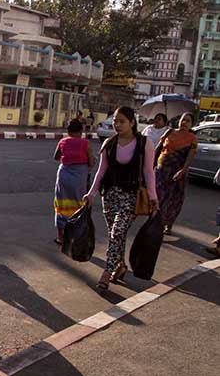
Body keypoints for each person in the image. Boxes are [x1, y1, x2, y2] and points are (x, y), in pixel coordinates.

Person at [83, 106, 158, 294]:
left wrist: (153, 197)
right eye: (115, 121)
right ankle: (120, 266)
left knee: (117, 232)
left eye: (121, 121)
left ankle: (107, 273)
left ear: (132, 123)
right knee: (115, 234)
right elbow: (101, 171)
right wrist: (91, 193)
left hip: (131, 195)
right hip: (110, 195)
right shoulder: (109, 143)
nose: (117, 124)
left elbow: (149, 172)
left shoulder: (144, 143)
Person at [154, 112, 197, 236]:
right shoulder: (169, 132)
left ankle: (168, 224)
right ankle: (156, 221)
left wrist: (183, 170)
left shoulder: (192, 138)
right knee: (159, 196)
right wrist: (151, 164)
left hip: (177, 174)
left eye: (188, 121)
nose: (184, 123)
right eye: (183, 120)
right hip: (162, 171)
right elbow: (159, 147)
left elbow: (191, 155)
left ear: (191, 124)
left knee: (173, 199)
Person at [53, 119, 95, 244]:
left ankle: (60, 237)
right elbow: (91, 162)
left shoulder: (63, 141)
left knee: (61, 204)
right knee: (78, 204)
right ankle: (76, 237)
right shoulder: (86, 143)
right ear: (81, 131)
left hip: (64, 175)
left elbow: (56, 157)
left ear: (68, 131)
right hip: (80, 177)